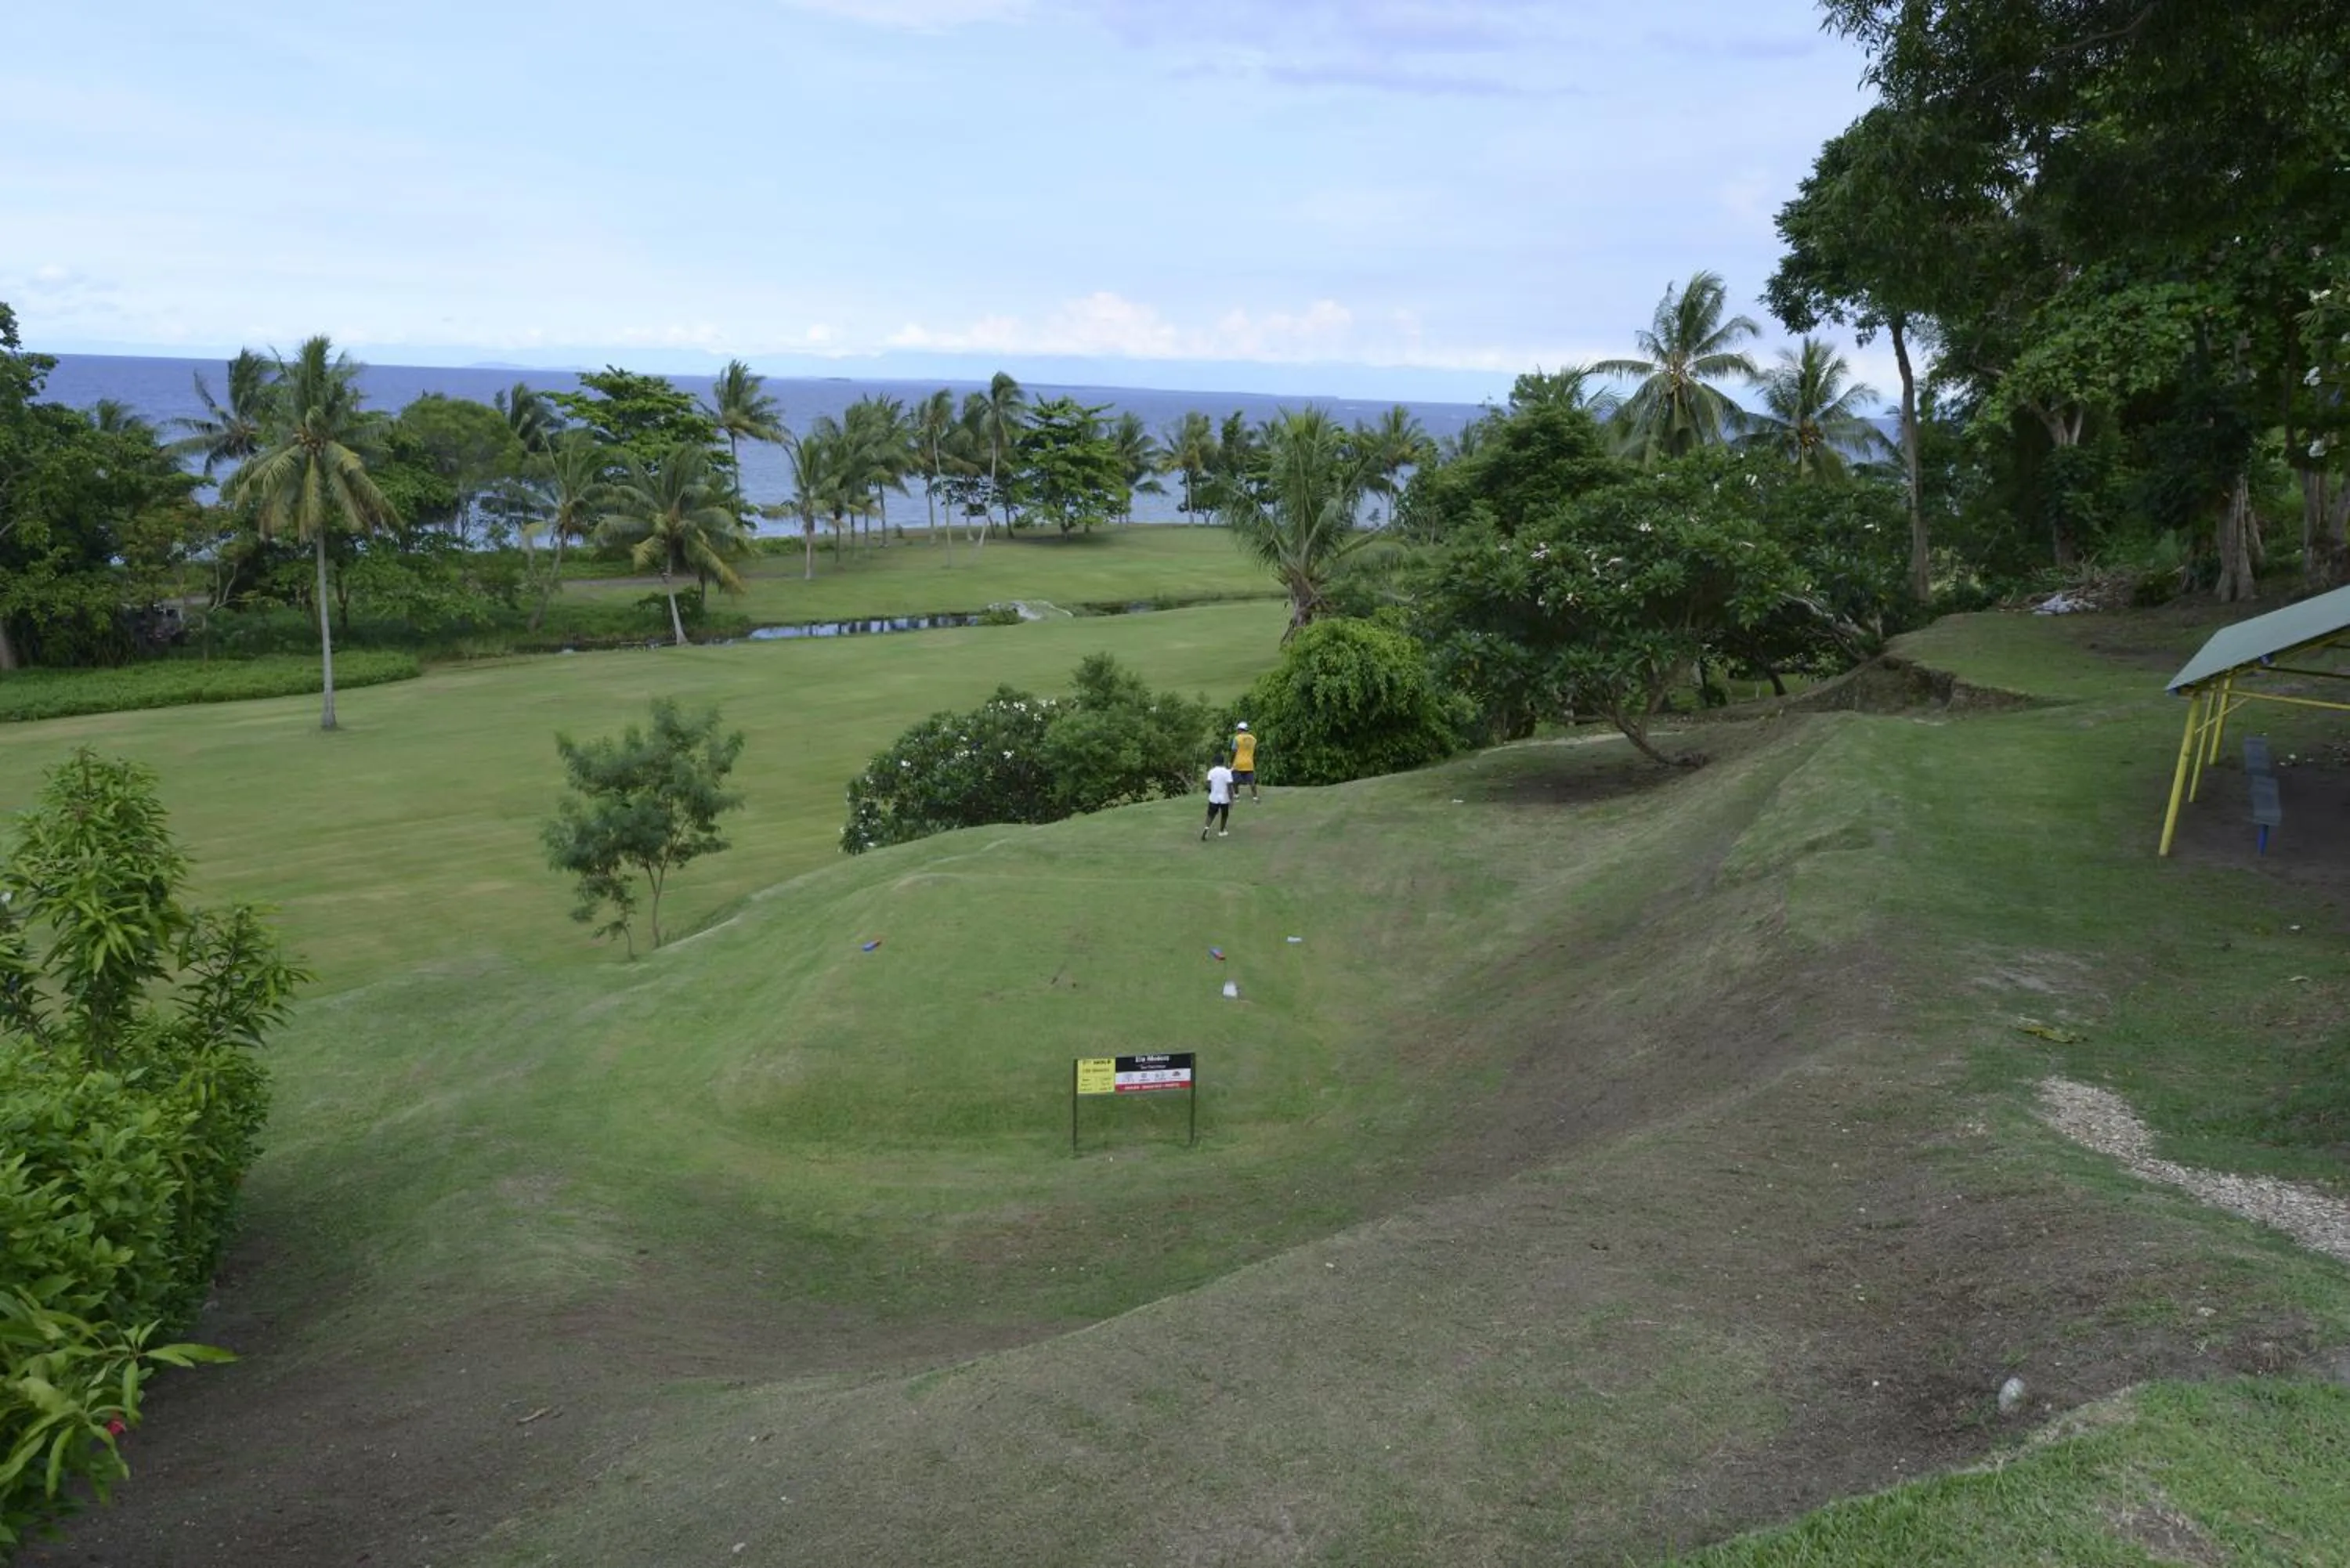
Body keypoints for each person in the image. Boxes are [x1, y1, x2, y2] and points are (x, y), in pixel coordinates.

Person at [1201, 756, 1234, 840]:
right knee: (1224, 815)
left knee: (1210, 815)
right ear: (1223, 762)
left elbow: (1208, 784)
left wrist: (1211, 791)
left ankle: (1206, 829)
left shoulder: (1211, 772)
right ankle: (1222, 831)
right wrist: (1231, 799)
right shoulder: (1227, 772)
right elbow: (1229, 787)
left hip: (1214, 797)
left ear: (1215, 762)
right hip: (1224, 798)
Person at [1229, 721, 1260, 802]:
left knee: (1235, 781)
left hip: (1238, 763)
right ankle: (1255, 797)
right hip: (1249, 763)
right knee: (1252, 782)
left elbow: (1234, 751)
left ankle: (1236, 796)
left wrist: (1231, 761)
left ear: (1240, 729)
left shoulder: (1237, 738)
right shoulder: (1253, 739)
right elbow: (1255, 752)